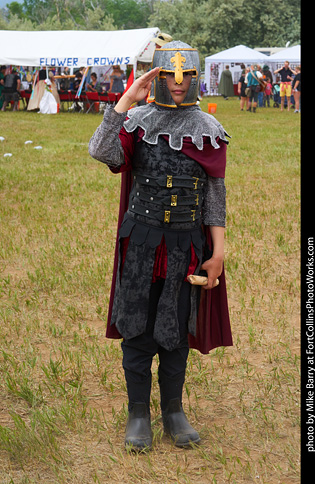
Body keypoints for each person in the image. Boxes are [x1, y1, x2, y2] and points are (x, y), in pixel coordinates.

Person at [88, 40, 232, 452]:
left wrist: (217, 252)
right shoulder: (136, 120)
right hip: (142, 242)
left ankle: (173, 410)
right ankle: (138, 413)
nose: (180, 82)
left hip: (186, 242)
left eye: (187, 75)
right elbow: (101, 151)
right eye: (170, 74)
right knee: (138, 327)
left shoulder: (209, 128)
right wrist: (124, 103)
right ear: (159, 76)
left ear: (197, 75)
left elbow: (215, 197)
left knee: (174, 328)